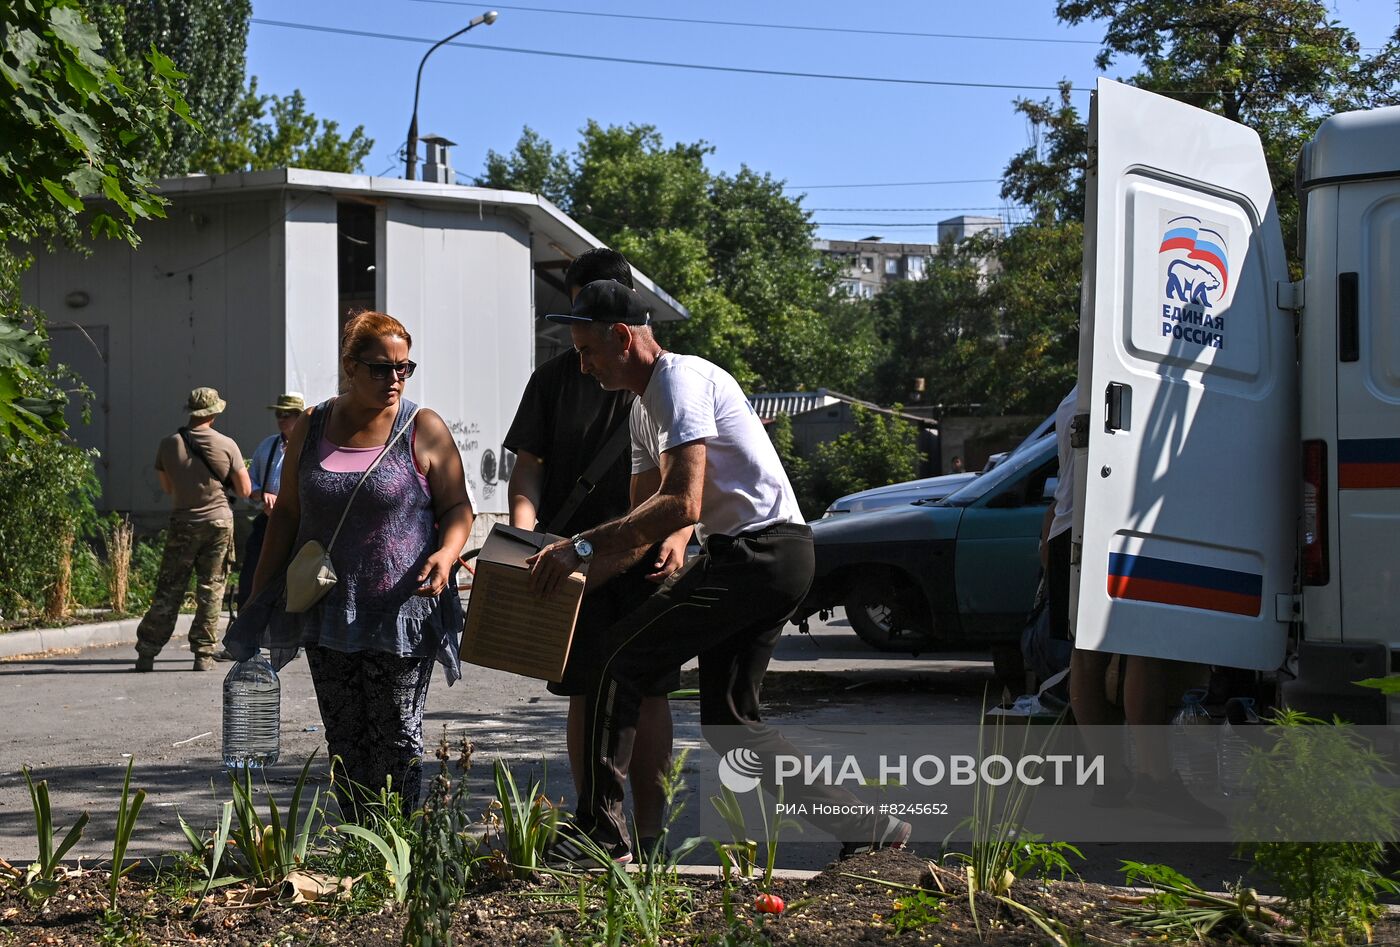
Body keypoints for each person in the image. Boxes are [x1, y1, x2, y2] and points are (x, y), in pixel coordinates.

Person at [527, 280, 911, 864]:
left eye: (587, 351)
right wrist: (566, 585)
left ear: (622, 337)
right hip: (763, 557)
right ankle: (870, 826)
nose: (582, 366)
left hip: (760, 554)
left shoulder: (679, 381)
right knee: (731, 726)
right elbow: (640, 525)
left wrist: (578, 548)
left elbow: (682, 504)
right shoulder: (641, 410)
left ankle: (601, 833)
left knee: (615, 663)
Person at [229, 311, 474, 812]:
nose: (395, 379)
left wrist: (447, 554)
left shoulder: (422, 427)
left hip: (401, 610)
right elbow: (287, 515)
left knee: (396, 738)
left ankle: (396, 841)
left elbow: (457, 507)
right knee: (345, 737)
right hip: (328, 611)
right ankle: (360, 842)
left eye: (404, 368)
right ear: (350, 367)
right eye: (381, 369)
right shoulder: (313, 424)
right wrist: (258, 596)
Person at [503, 248, 681, 859]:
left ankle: (651, 839)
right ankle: (599, 831)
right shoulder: (554, 379)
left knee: (648, 693)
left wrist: (679, 535)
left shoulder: (664, 378)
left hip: (647, 558)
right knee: (584, 689)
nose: (583, 329)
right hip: (569, 561)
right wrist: (524, 536)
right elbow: (528, 467)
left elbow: (691, 478)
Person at [1052, 387, 1223, 826]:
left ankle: (1109, 777)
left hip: (1069, 529)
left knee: (1086, 654)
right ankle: (1155, 778)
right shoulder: (1134, 382)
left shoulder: (1076, 395)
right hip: (1116, 529)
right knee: (1146, 647)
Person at [136, 388, 252, 672]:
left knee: (169, 589)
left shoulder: (168, 444)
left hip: (183, 523)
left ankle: (147, 653)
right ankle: (203, 655)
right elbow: (245, 490)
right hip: (218, 523)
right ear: (214, 412)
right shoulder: (227, 445)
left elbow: (167, 487)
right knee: (211, 588)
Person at [234, 392, 305, 613]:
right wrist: (259, 494)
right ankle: (246, 626)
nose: (280, 418)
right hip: (266, 522)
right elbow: (250, 480)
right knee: (251, 576)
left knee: (293, 581)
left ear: (300, 416)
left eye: (286, 414)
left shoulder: (310, 446)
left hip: (298, 524)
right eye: (278, 414)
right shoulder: (268, 445)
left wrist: (283, 500)